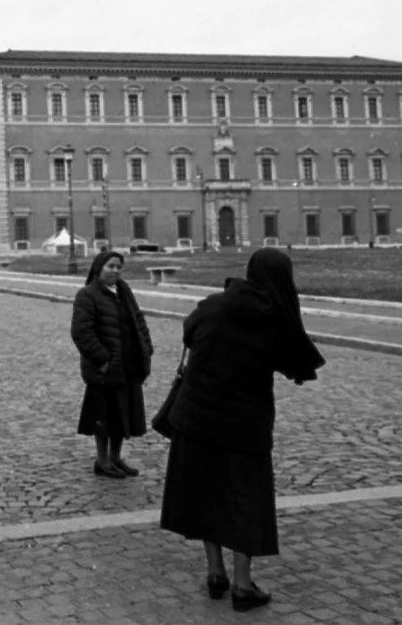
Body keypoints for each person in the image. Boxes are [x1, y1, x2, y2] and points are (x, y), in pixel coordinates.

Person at [160, 248, 325, 612]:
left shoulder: (214, 304)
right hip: (243, 425)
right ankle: (242, 584)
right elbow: (297, 364)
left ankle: (215, 573)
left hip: (196, 417)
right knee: (245, 501)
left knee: (204, 493)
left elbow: (189, 332)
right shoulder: (275, 319)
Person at [70, 250, 154, 479]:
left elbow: (139, 321)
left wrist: (146, 350)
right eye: (111, 266)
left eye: (119, 267)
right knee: (103, 417)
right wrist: (103, 361)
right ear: (99, 269)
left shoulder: (125, 292)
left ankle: (116, 458)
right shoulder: (87, 295)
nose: (115, 271)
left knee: (122, 416)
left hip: (128, 366)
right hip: (105, 369)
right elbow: (81, 333)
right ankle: (102, 460)